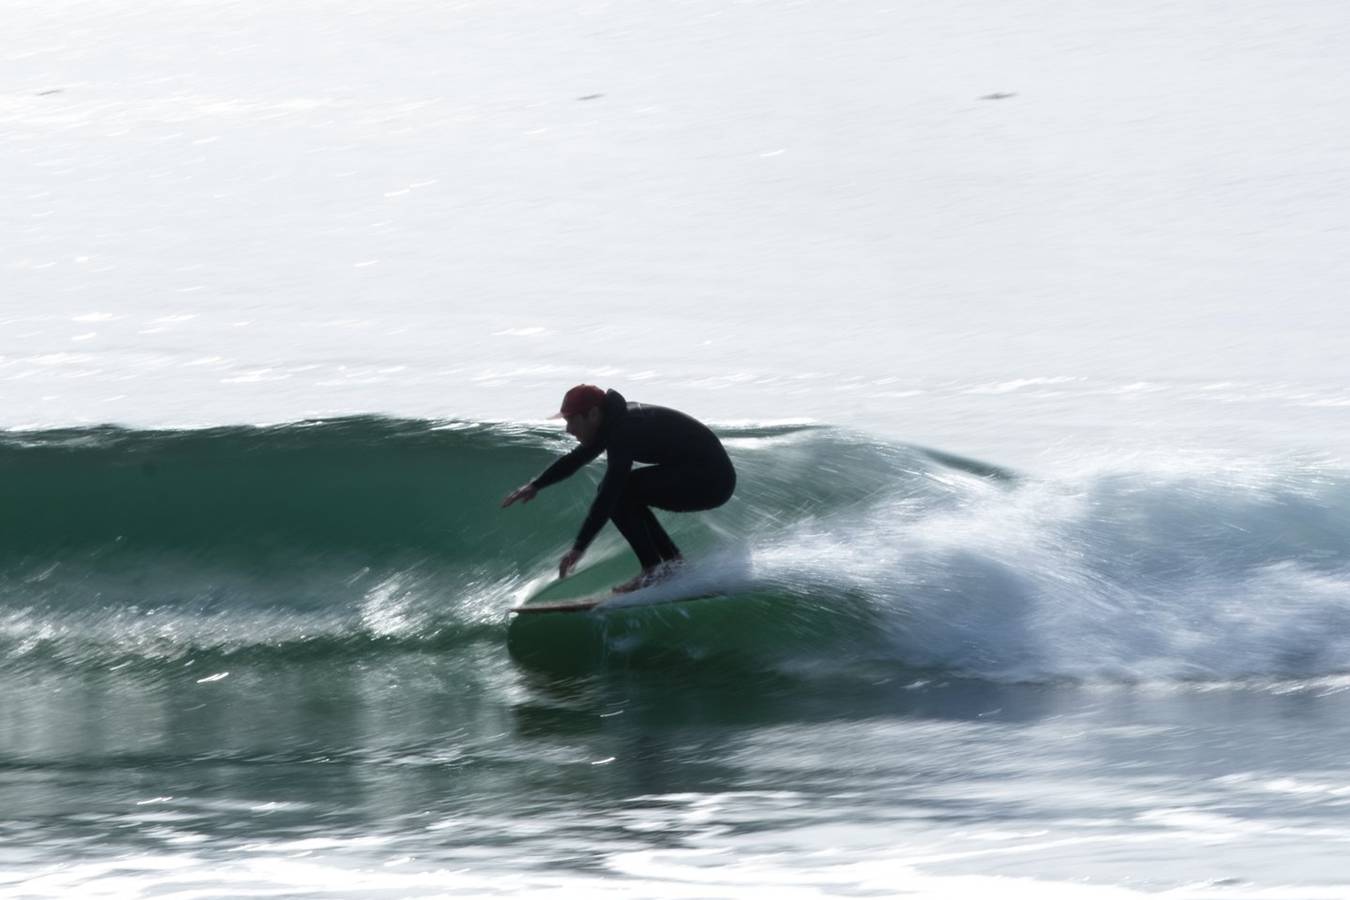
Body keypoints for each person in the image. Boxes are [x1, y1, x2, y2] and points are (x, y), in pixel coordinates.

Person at [501, 385, 736, 593]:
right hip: (702, 474)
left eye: (572, 421)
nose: (568, 430)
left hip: (711, 480)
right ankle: (671, 566)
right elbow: (578, 458)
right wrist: (535, 485)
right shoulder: (612, 422)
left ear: (592, 414)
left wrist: (579, 547)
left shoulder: (624, 429)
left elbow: (611, 491)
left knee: (619, 492)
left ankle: (657, 570)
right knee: (627, 492)